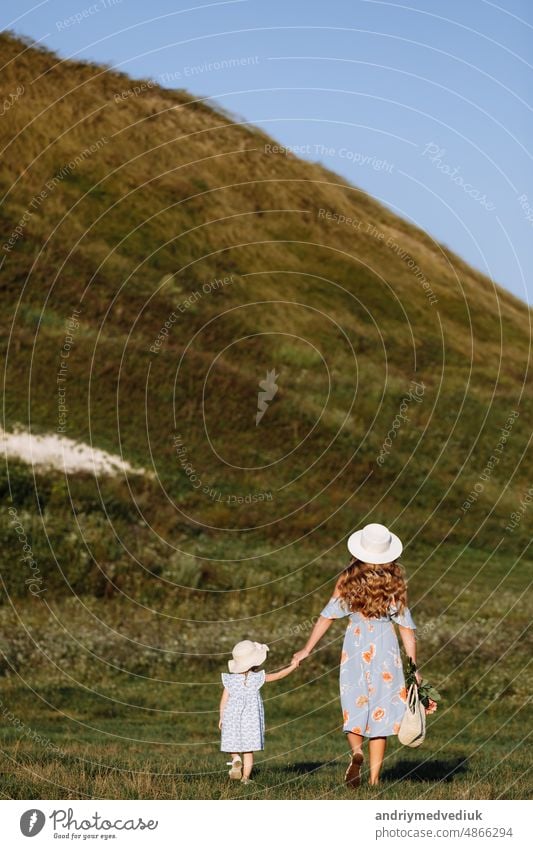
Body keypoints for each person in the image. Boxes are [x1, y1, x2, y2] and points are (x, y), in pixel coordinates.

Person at [292, 523, 436, 788]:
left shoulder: (347, 579)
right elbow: (406, 628)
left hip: (356, 645)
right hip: (386, 648)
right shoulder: (395, 583)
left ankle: (356, 752)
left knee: (354, 704)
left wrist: (306, 649)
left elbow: (326, 617)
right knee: (381, 713)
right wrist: (413, 666)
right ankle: (373, 780)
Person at [219, 640, 298, 783]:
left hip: (231, 714)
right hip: (251, 718)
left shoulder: (230, 680)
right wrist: (293, 666)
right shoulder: (257, 678)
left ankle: (235, 758)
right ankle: (245, 778)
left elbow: (224, 700)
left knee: (231, 742)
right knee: (248, 750)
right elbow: (279, 675)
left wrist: (221, 717)